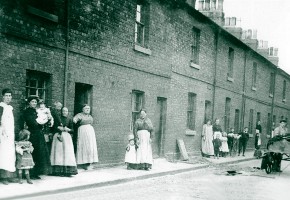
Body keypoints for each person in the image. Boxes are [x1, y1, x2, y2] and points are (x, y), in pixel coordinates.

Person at [23, 95, 51, 179]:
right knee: (33, 152)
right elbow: (31, 122)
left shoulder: (37, 111)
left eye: (35, 102)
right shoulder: (27, 111)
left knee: (39, 153)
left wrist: (46, 120)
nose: (34, 103)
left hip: (39, 134)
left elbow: (42, 120)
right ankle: (30, 173)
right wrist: (39, 123)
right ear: (29, 103)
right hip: (32, 134)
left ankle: (36, 172)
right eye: (32, 102)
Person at [50, 107, 78, 177]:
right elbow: (54, 127)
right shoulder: (58, 118)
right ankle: (58, 171)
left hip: (66, 138)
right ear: (61, 112)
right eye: (63, 111)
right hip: (59, 136)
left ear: (68, 112)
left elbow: (73, 130)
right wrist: (58, 128)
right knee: (59, 153)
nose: (64, 112)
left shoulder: (69, 119)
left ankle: (67, 171)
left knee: (67, 153)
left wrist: (68, 129)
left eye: (66, 111)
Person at [73, 104, 98, 170]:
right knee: (84, 146)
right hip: (83, 132)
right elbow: (74, 120)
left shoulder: (90, 116)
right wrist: (75, 120)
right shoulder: (79, 115)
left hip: (90, 132)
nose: (87, 109)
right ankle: (83, 163)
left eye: (88, 108)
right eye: (86, 108)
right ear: (82, 109)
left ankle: (88, 163)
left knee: (90, 147)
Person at [0, 88, 16, 185]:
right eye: (6, 96)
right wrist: (3, 132)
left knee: (10, 154)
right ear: (3, 97)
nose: (8, 97)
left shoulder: (10, 108)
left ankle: (9, 175)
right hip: (2, 135)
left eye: (10, 96)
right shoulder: (1, 106)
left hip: (10, 135)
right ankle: (3, 177)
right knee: (3, 154)